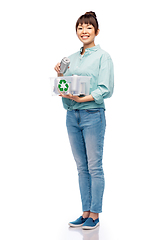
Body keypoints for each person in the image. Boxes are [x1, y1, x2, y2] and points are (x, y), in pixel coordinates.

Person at [54, 11, 114, 230]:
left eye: (89, 27)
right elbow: (65, 86)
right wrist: (60, 75)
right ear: (76, 32)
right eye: (80, 27)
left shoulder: (103, 56)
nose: (84, 31)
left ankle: (95, 215)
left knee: (94, 166)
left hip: (92, 115)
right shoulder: (70, 57)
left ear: (96, 32)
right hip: (72, 115)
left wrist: (82, 98)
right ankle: (85, 212)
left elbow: (105, 89)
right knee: (81, 167)